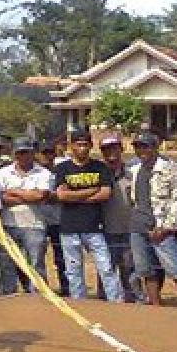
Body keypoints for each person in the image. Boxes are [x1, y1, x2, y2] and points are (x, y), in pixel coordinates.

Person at [54, 129, 122, 302]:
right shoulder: (62, 168)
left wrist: (74, 197)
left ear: (91, 146)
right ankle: (80, 303)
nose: (82, 148)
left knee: (106, 268)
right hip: (69, 228)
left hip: (95, 227)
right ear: (71, 146)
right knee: (74, 270)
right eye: (79, 144)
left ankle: (116, 301)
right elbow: (62, 195)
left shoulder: (100, 167)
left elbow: (105, 193)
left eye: (85, 144)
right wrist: (91, 191)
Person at [128, 132, 177, 307]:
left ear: (155, 147)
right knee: (146, 271)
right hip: (138, 226)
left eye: (145, 146)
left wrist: (167, 227)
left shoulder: (169, 168)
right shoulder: (134, 169)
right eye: (138, 147)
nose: (141, 150)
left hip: (161, 228)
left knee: (176, 271)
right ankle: (155, 307)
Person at [0, 137, 53, 295]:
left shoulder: (44, 173)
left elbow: (40, 196)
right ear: (15, 154)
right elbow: (0, 198)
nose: (23, 156)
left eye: (26, 152)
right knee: (7, 263)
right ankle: (9, 294)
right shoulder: (3, 172)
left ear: (32, 153)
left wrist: (13, 191)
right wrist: (28, 195)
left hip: (35, 225)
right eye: (19, 153)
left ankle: (38, 294)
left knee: (36, 263)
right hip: (9, 224)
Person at [98, 133, 146, 303]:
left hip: (129, 230)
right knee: (106, 271)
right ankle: (104, 305)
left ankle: (134, 304)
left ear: (121, 149)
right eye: (106, 149)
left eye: (114, 148)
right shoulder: (98, 174)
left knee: (131, 271)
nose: (110, 152)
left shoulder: (132, 174)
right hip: (105, 231)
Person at [37, 139, 70, 295]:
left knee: (61, 257)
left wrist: (46, 196)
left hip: (58, 219)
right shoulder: (36, 172)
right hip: (40, 220)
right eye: (45, 153)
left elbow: (64, 195)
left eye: (51, 152)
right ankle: (41, 288)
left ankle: (66, 287)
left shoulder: (61, 170)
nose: (48, 156)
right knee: (37, 256)